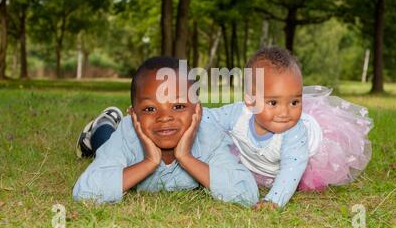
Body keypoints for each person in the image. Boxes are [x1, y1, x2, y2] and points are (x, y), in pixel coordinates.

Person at [73, 56, 259, 207]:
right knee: (103, 145)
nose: (164, 117)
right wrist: (149, 162)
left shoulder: (209, 137)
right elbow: (84, 192)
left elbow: (247, 193)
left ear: (198, 111)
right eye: (150, 109)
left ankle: (107, 122)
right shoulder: (128, 133)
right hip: (119, 139)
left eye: (178, 106)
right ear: (134, 115)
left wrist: (186, 157)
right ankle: (104, 123)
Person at [203, 47, 373, 209]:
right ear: (250, 100)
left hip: (308, 153)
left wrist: (273, 200)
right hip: (260, 157)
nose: (285, 112)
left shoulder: (294, 132)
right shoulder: (238, 114)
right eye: (273, 103)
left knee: (300, 172)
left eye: (294, 102)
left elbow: (292, 169)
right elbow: (209, 116)